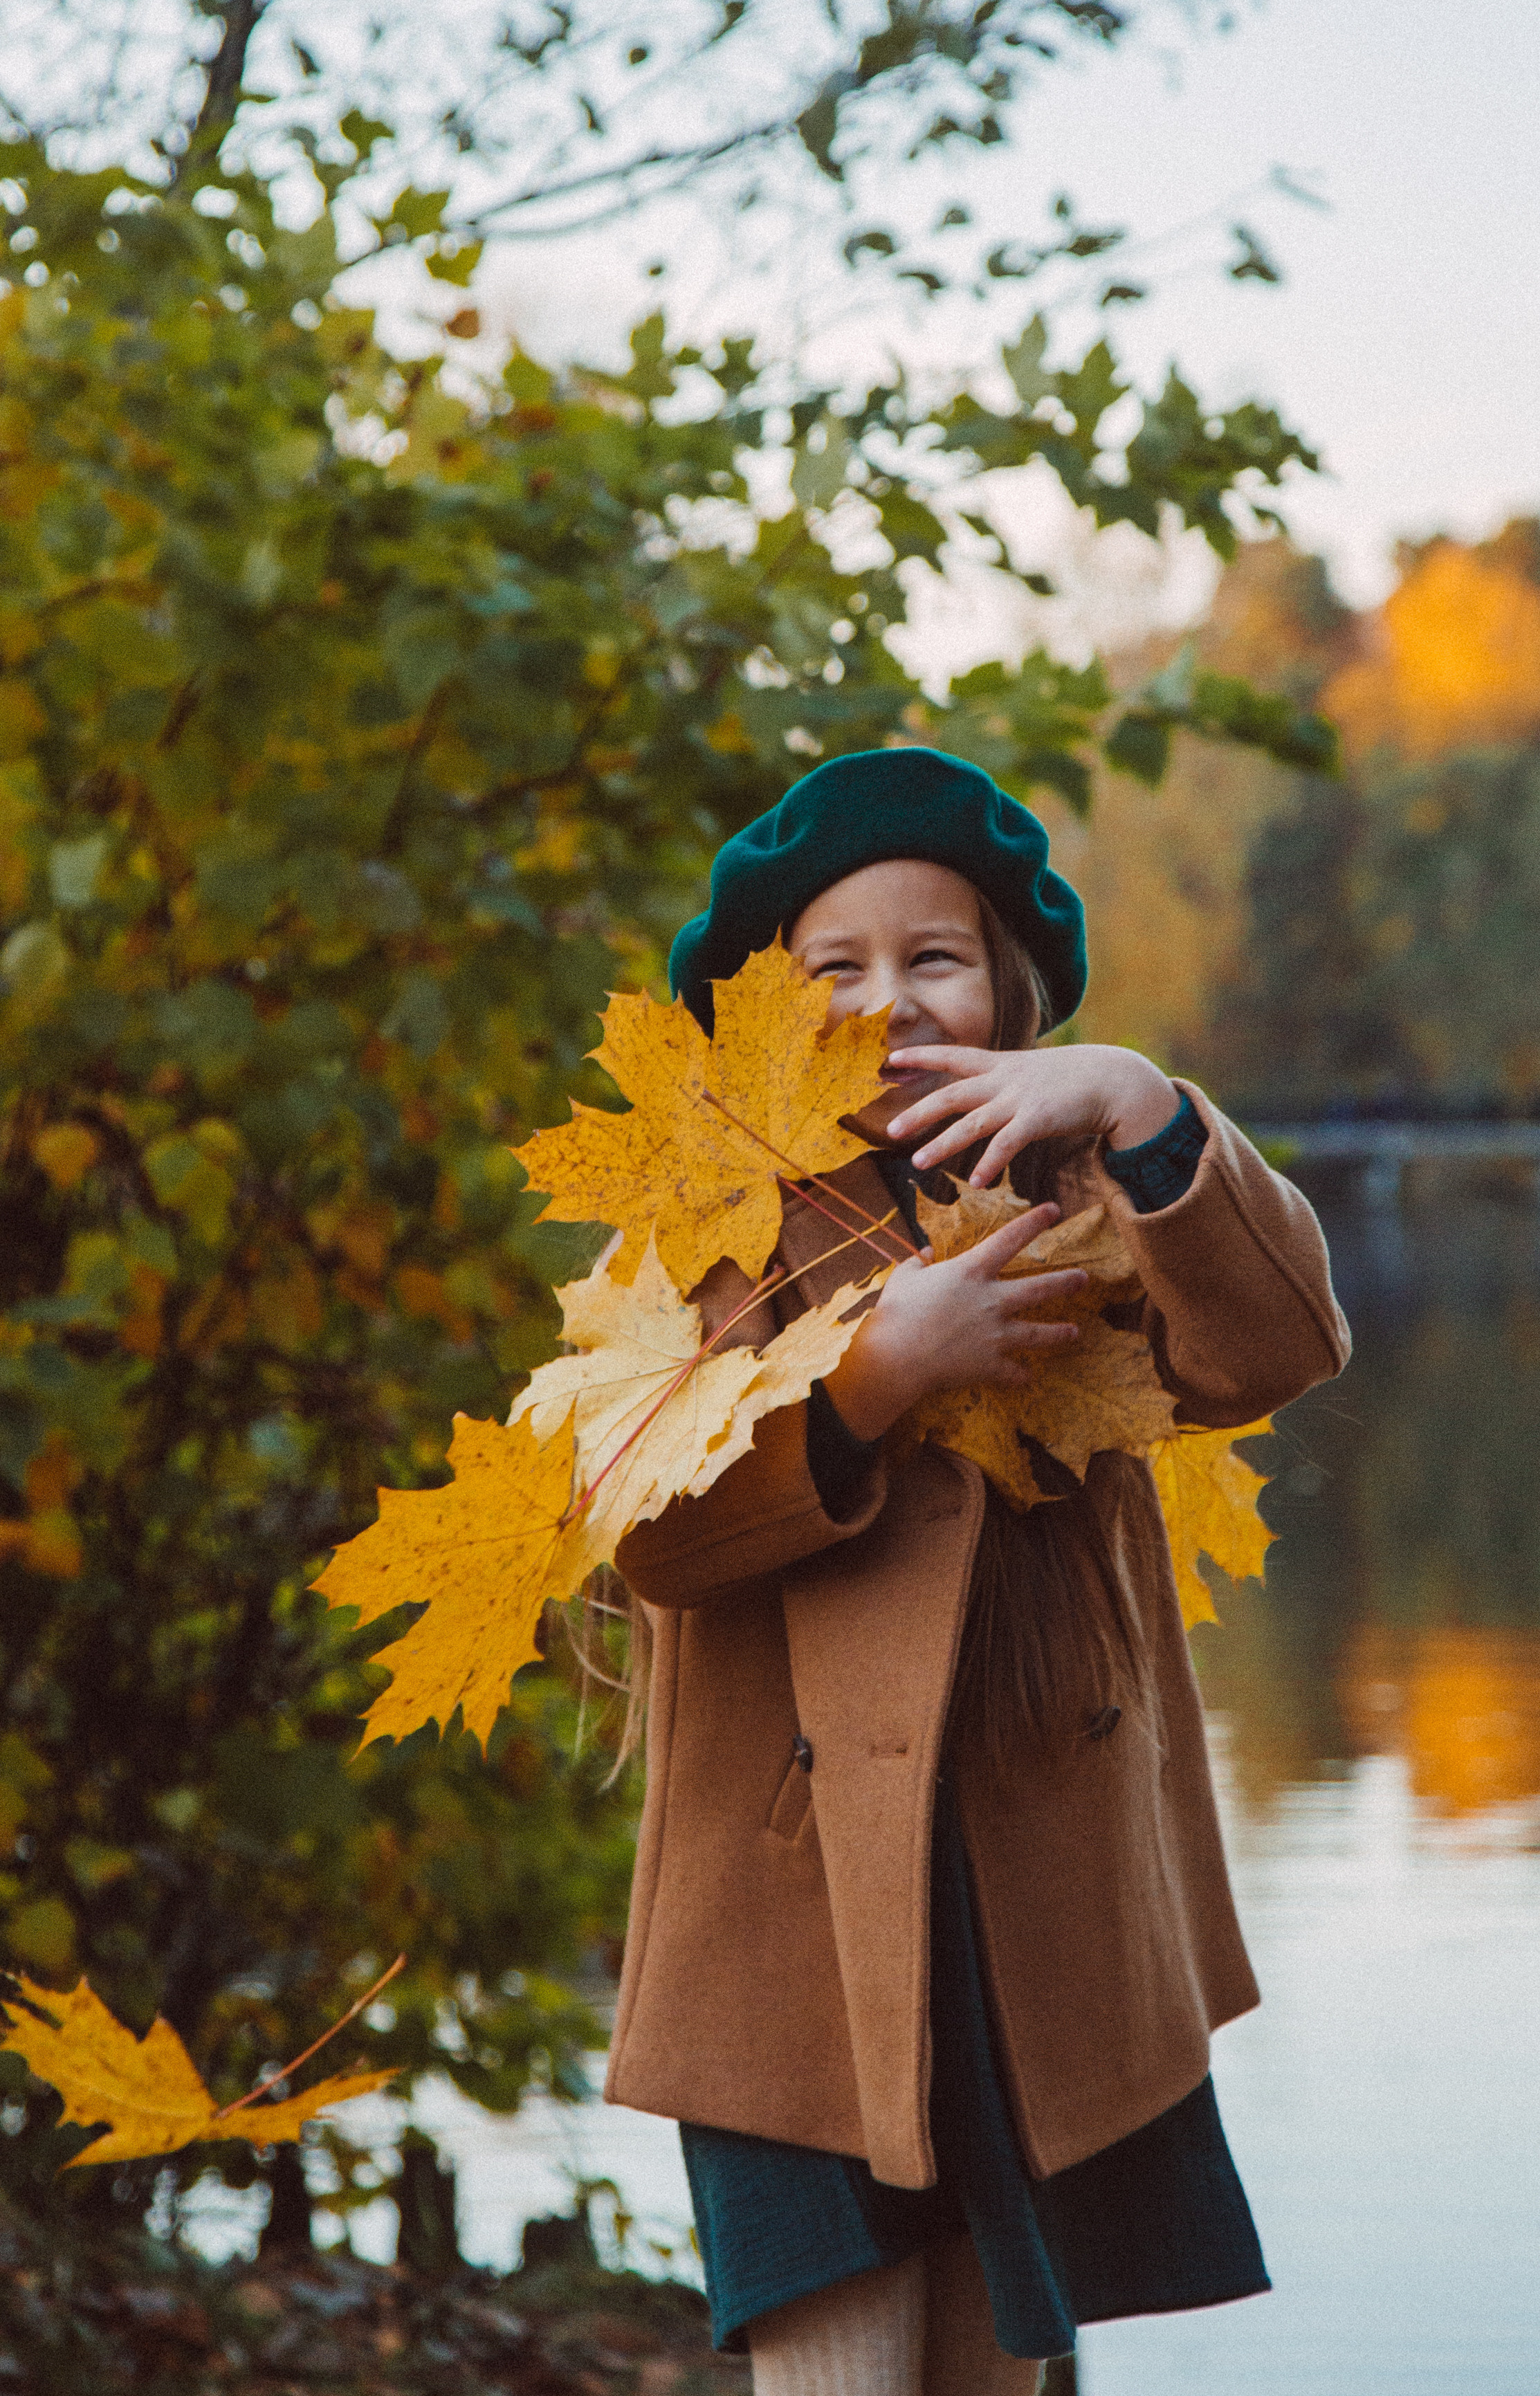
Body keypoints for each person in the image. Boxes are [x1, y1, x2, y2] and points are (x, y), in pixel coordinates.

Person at [605, 747, 1350, 2395]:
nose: (890, 1001)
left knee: (993, 2369)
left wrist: (1145, 1108)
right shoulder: (710, 1214)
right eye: (837, 967)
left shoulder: (1084, 1196)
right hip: (793, 1931)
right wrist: (877, 1374)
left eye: (934, 956)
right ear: (764, 1005)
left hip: (1034, 1907)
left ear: (1013, 997)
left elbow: (1281, 1343)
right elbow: (650, 1531)